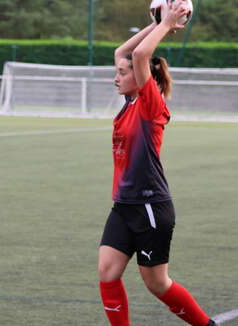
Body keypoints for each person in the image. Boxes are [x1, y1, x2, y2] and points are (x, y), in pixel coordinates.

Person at [98, 1, 217, 325]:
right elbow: (123, 51)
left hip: (151, 208)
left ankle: (207, 325)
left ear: (141, 79)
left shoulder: (151, 106)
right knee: (107, 272)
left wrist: (168, 25)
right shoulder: (130, 101)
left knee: (157, 284)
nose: (116, 78)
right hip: (124, 205)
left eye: (121, 74)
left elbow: (138, 57)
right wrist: (157, 22)